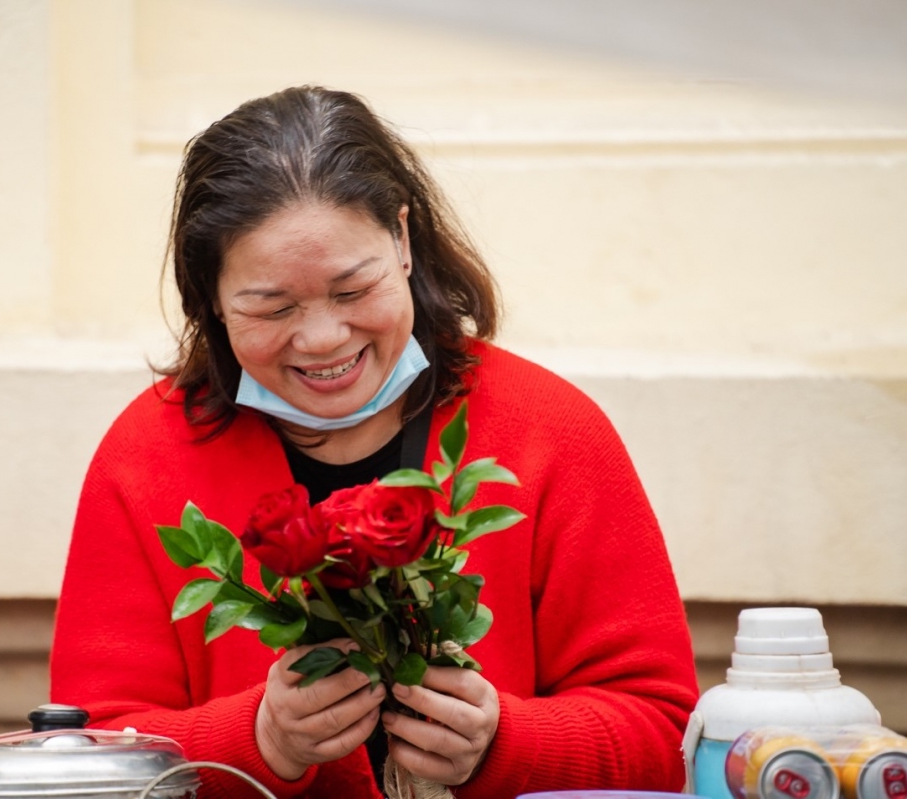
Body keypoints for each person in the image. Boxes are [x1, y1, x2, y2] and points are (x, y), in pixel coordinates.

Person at [49, 85, 699, 799]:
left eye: (354, 290)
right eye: (272, 306)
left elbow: (665, 735)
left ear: (404, 239)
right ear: (209, 297)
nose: (324, 338)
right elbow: (89, 754)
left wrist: (504, 740)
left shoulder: (552, 431)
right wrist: (259, 739)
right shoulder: (146, 456)